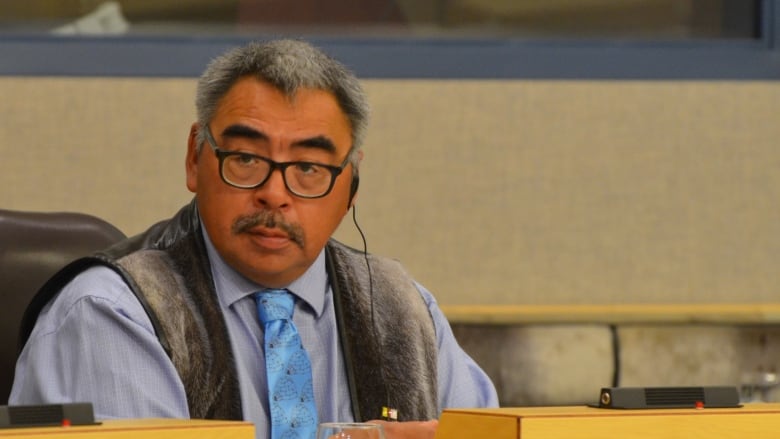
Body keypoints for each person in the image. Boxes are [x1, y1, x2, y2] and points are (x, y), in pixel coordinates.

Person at [10, 39, 498, 439]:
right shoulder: (109, 313)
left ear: (350, 185)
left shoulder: (404, 311)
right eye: (245, 158)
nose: (274, 194)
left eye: (308, 168)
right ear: (194, 158)